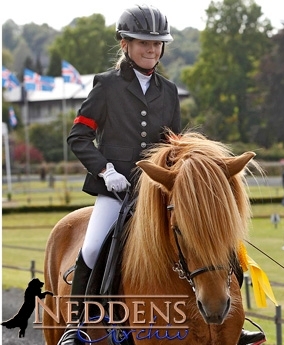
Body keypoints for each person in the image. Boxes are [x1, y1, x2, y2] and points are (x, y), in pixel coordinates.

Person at [60, 5, 265, 345]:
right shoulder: (106, 86)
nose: (151, 49)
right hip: (116, 190)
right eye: (143, 43)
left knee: (223, 245)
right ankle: (78, 324)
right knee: (93, 247)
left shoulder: (168, 90)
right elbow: (78, 135)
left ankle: (229, 322)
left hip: (158, 189)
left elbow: (174, 144)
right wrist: (105, 170)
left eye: (157, 44)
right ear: (125, 44)